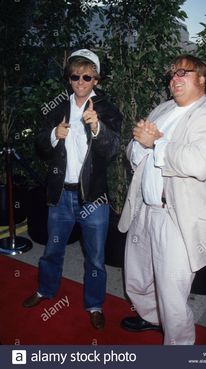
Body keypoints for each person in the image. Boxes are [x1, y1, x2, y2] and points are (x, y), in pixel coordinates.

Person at [118, 54, 206, 344]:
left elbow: (200, 163)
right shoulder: (163, 108)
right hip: (146, 209)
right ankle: (152, 319)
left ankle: (180, 349)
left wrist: (156, 142)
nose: (175, 78)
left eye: (184, 72)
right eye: (172, 74)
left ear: (202, 78)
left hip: (177, 217)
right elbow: (136, 152)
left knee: (172, 294)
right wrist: (140, 145)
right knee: (137, 279)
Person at [23, 49, 122, 330]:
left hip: (93, 196)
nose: (80, 81)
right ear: (69, 79)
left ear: (96, 79)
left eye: (87, 76)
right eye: (75, 76)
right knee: (52, 250)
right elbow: (41, 146)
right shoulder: (57, 107)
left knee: (96, 257)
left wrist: (97, 128)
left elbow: (113, 148)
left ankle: (94, 304)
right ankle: (45, 290)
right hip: (60, 194)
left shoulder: (107, 109)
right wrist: (55, 134)